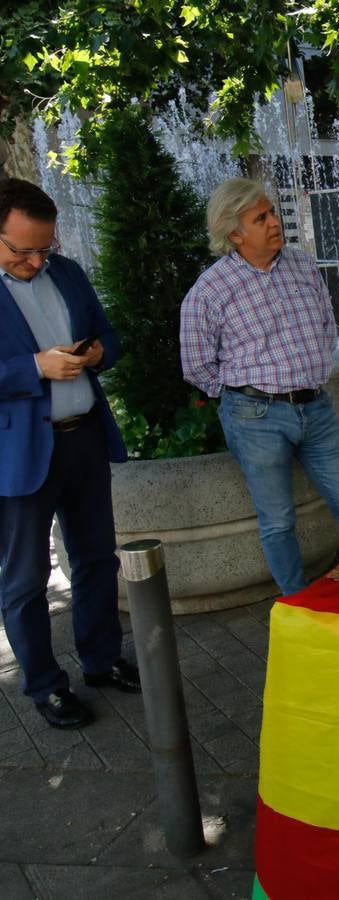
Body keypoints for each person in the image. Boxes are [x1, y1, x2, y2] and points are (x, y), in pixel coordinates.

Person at [182, 178, 339, 596]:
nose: (274, 222)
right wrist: (242, 395)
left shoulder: (302, 265)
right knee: (277, 521)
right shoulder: (211, 290)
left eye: (272, 212)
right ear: (235, 233)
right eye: (261, 218)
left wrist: (313, 370)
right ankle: (297, 602)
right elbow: (197, 365)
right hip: (256, 417)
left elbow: (327, 324)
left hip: (316, 408)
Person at [0, 178, 139, 730]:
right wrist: (34, 367)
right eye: (22, 250)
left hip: (83, 437)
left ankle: (101, 661)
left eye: (44, 248)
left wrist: (101, 351)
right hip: (20, 453)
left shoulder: (68, 273)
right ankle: (44, 685)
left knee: (96, 560)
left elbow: (109, 336)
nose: (36, 260)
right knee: (26, 579)